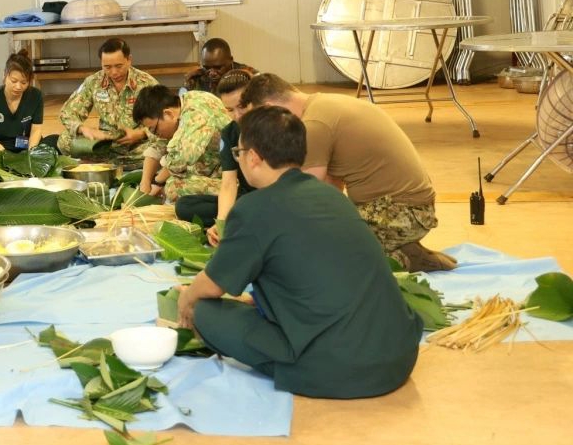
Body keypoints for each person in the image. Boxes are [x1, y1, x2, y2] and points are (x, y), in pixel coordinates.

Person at [177, 106, 423, 399]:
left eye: (238, 153)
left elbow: (213, 285)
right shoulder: (332, 196)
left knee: (206, 312)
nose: (239, 159)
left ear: (253, 157)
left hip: (338, 369)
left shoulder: (253, 209)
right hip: (399, 356)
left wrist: (187, 299)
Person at [240, 72, 454, 272]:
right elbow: (331, 187)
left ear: (270, 107)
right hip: (406, 208)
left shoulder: (314, 124)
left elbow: (305, 197)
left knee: (321, 257)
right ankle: (400, 249)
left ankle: (403, 259)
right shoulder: (324, 104)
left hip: (401, 211)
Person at [172, 69, 255, 237]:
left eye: (242, 106)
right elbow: (228, 183)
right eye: (230, 109)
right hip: (245, 200)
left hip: (273, 199)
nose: (238, 115)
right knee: (184, 206)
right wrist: (221, 223)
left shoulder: (273, 126)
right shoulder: (230, 133)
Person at [56, 38, 159, 158]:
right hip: (104, 143)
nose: (114, 72)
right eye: (107, 67)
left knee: (162, 144)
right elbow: (67, 113)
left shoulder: (146, 82)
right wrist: (83, 129)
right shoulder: (94, 82)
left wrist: (141, 133)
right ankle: (116, 160)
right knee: (65, 140)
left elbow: (164, 119)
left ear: (129, 60)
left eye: (119, 66)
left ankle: (109, 161)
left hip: (137, 144)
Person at [131, 84, 230, 207]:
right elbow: (156, 147)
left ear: (168, 114)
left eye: (154, 129)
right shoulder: (179, 109)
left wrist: (157, 182)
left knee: (174, 187)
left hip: (230, 178)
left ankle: (233, 202)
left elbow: (182, 159)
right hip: (211, 171)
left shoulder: (196, 109)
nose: (155, 134)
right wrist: (145, 183)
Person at [0, 49, 52, 152]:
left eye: (24, 82)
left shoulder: (36, 96)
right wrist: (1, 151)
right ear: (4, 75)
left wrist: (31, 151)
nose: (18, 87)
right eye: (13, 81)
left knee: (53, 142)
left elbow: (36, 130)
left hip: (26, 144)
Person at [183, 38, 256, 94]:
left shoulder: (249, 77)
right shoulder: (195, 79)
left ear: (230, 60)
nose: (212, 73)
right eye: (206, 68)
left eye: (218, 68)